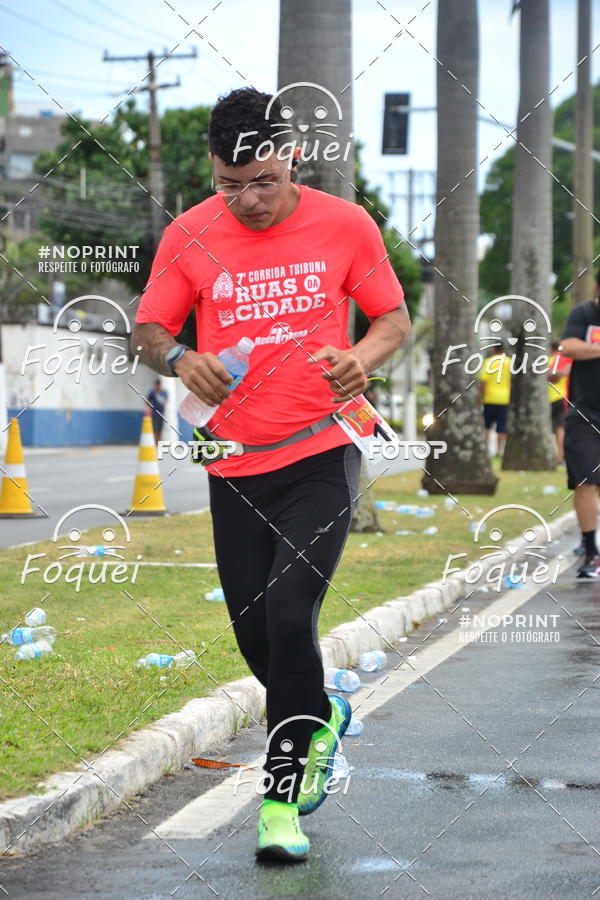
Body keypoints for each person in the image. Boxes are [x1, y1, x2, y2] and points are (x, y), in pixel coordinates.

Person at [132, 87, 410, 861]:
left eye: (261, 180)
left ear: (289, 157)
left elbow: (392, 318)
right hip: (233, 459)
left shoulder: (346, 225)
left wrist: (362, 359)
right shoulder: (189, 234)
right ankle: (318, 714)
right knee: (255, 635)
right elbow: (149, 329)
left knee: (292, 613)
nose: (247, 200)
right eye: (229, 184)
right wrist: (181, 357)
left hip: (323, 448)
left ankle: (280, 804)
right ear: (212, 171)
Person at [559, 270, 600, 578]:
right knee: (585, 480)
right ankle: (590, 551)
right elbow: (568, 346)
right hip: (584, 412)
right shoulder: (584, 313)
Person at [479, 342, 511, 456]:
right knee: (501, 426)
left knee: (486, 425)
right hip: (505, 399)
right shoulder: (509, 362)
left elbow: (484, 381)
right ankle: (499, 451)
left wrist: (481, 396)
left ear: (493, 349)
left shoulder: (489, 362)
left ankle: (484, 450)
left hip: (489, 398)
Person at [547, 340, 571, 464]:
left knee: (557, 429)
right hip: (563, 396)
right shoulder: (565, 359)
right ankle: (561, 455)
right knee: (561, 428)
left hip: (551, 397)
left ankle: (559, 456)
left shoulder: (550, 360)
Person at [145, 378, 168, 444]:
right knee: (155, 429)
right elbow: (147, 401)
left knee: (160, 429)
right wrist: (149, 408)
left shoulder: (164, 393)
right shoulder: (152, 393)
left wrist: (163, 402)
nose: (157, 386)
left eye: (158, 384)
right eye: (156, 385)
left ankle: (159, 441)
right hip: (154, 413)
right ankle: (155, 442)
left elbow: (165, 401)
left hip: (161, 414)